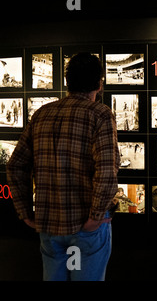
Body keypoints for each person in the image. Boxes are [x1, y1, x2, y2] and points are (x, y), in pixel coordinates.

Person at [6, 53, 120, 281]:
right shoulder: (101, 115)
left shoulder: (41, 114)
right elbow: (107, 170)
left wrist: (26, 213)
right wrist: (96, 217)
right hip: (86, 226)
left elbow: (16, 165)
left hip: (49, 225)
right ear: (99, 84)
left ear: (68, 82)